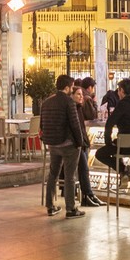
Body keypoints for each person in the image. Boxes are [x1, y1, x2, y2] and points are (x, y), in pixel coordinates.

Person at [40, 75, 86, 219]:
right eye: (72, 87)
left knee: (53, 174)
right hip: (68, 145)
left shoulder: (47, 102)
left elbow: (42, 124)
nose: (72, 89)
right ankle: (71, 209)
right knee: (69, 177)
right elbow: (75, 124)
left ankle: (50, 206)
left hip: (53, 144)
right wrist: (80, 143)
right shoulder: (69, 102)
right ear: (67, 88)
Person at [96, 78, 130, 183]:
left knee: (100, 154)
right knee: (116, 146)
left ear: (122, 90)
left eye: (118, 90)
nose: (118, 93)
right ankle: (124, 172)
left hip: (123, 147)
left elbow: (109, 124)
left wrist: (108, 143)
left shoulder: (122, 104)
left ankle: (123, 170)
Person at [70, 86, 103, 207]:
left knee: (85, 169)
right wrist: (81, 142)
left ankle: (89, 195)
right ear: (72, 95)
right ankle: (87, 196)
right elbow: (75, 128)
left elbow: (83, 126)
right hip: (77, 144)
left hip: (82, 142)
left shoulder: (79, 108)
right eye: (78, 94)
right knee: (84, 169)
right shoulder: (72, 109)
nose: (81, 97)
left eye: (81, 94)